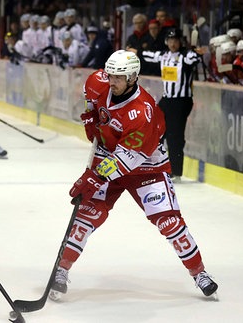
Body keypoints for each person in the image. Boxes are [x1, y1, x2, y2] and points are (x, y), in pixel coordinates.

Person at [48, 51, 218, 302]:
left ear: (132, 78)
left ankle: (199, 273)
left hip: (146, 168)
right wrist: (90, 116)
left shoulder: (143, 112)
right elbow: (91, 104)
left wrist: (92, 179)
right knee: (86, 216)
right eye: (110, 75)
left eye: (119, 77)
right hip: (108, 156)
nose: (111, 81)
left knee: (169, 222)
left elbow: (127, 160)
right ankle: (61, 271)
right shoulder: (98, 82)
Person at [141, 28, 204, 182]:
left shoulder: (185, 55)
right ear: (166, 42)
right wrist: (136, 52)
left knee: (175, 136)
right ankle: (155, 166)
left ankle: (175, 172)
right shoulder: (164, 55)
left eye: (175, 40)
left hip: (181, 101)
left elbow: (194, 59)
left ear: (180, 41)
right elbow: (148, 55)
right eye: (170, 40)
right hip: (167, 99)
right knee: (156, 130)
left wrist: (197, 52)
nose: (173, 43)